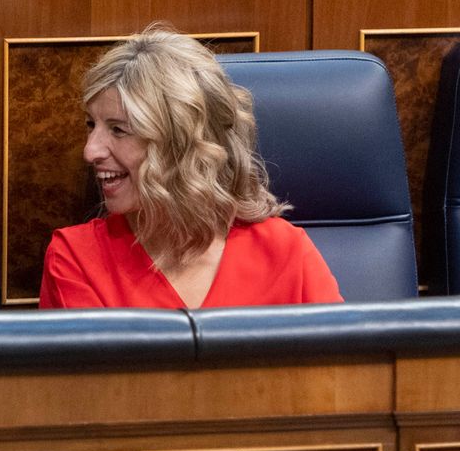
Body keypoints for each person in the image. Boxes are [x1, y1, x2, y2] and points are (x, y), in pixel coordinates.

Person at [39, 26, 343, 309]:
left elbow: (346, 364)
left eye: (119, 130)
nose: (90, 151)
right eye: (91, 125)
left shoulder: (283, 249)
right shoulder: (76, 258)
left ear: (181, 143)